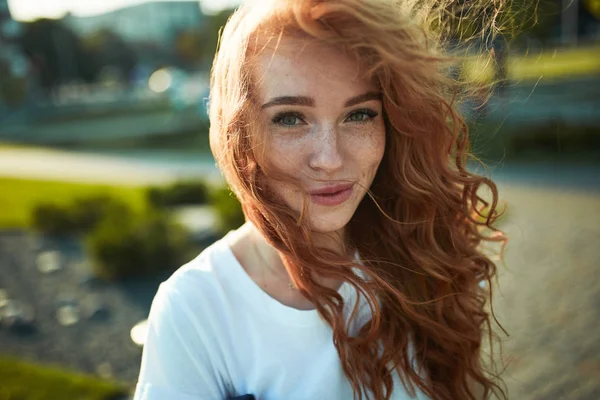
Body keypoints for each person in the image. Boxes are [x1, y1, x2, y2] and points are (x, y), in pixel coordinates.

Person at [133, 0, 508, 399]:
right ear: (240, 131)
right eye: (291, 118)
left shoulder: (423, 252)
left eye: (359, 114)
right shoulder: (195, 310)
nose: (330, 159)